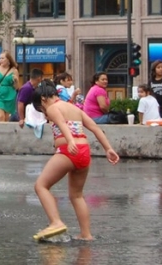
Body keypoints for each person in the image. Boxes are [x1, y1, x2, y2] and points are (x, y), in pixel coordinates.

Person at [31, 79, 120, 241]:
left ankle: (56, 221)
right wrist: (108, 148)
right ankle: (86, 234)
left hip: (69, 151)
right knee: (77, 195)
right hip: (84, 152)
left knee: (41, 186)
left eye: (41, 108)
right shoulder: (74, 108)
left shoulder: (52, 108)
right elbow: (94, 127)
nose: (44, 113)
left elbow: (61, 124)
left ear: (43, 99)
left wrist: (70, 141)